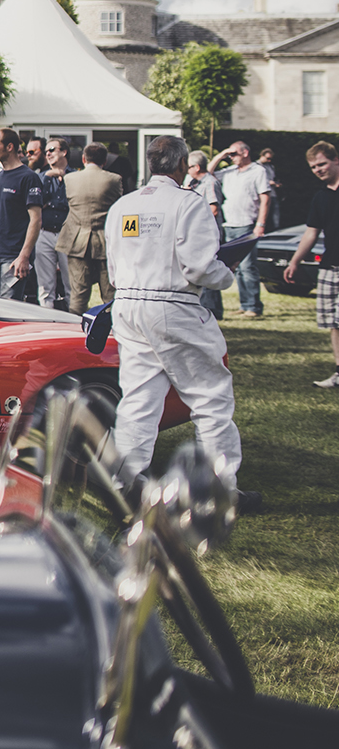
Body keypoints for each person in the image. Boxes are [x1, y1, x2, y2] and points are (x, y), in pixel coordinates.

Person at [106, 135, 262, 514]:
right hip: (172, 303)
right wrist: (226, 273)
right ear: (179, 166)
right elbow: (199, 265)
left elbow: (112, 265)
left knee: (138, 399)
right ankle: (220, 490)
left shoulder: (123, 205)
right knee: (210, 398)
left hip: (127, 305)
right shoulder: (187, 203)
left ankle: (125, 482)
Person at [287, 143, 339, 388]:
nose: (318, 170)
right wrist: (295, 261)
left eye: (322, 164)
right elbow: (311, 233)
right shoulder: (321, 197)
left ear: (336, 160)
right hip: (330, 267)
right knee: (334, 324)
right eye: (314, 167)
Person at [60, 143, 124, 314]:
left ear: (83, 159)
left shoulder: (70, 179)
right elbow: (119, 207)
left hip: (76, 241)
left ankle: (76, 332)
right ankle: (111, 332)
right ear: (105, 160)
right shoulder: (114, 180)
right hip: (105, 242)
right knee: (110, 294)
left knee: (78, 294)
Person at [0, 128, 44, 300]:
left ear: (9, 147)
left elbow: (36, 220)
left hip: (13, 257)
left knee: (8, 307)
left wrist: (24, 256)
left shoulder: (28, 178)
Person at [214, 141, 273, 318]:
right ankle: (244, 303)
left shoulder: (258, 171)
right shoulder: (230, 172)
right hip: (229, 224)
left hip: (247, 223)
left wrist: (260, 224)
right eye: (230, 155)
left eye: (235, 154)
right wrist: (222, 154)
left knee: (248, 267)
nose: (232, 158)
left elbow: (265, 199)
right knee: (236, 268)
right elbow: (207, 173)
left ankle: (253, 306)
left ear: (245, 152)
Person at [26, 137, 71, 312]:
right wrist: (47, 177)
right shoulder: (40, 177)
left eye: (52, 150)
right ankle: (49, 319)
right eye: (47, 152)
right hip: (44, 232)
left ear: (64, 152)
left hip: (66, 233)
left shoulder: (74, 176)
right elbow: (37, 202)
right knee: (45, 285)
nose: (49, 154)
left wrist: (64, 178)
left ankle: (73, 321)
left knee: (70, 283)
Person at [184, 149, 225, 320]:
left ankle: (213, 310)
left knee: (208, 270)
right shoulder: (194, 183)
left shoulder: (209, 182)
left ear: (197, 167)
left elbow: (213, 209)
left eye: (189, 167)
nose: (186, 170)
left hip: (208, 235)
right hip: (197, 234)